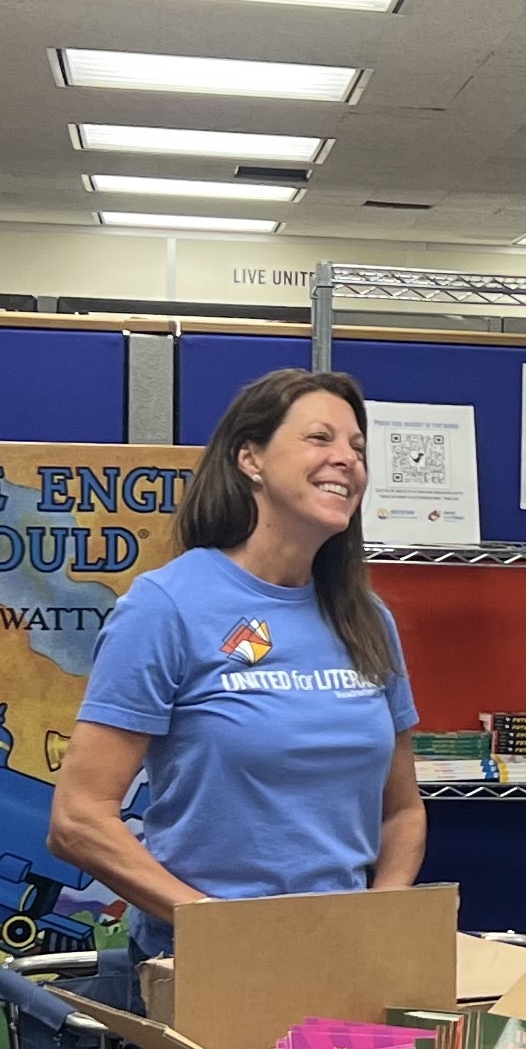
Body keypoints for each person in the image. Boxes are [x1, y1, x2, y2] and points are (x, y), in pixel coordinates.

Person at [49, 368, 425, 955]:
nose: (347, 460)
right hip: (209, 960)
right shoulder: (167, 607)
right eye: (319, 439)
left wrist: (381, 915)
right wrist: (219, 928)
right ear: (250, 458)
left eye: (357, 447)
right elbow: (78, 820)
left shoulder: (365, 619)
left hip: (346, 956)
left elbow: (401, 811)